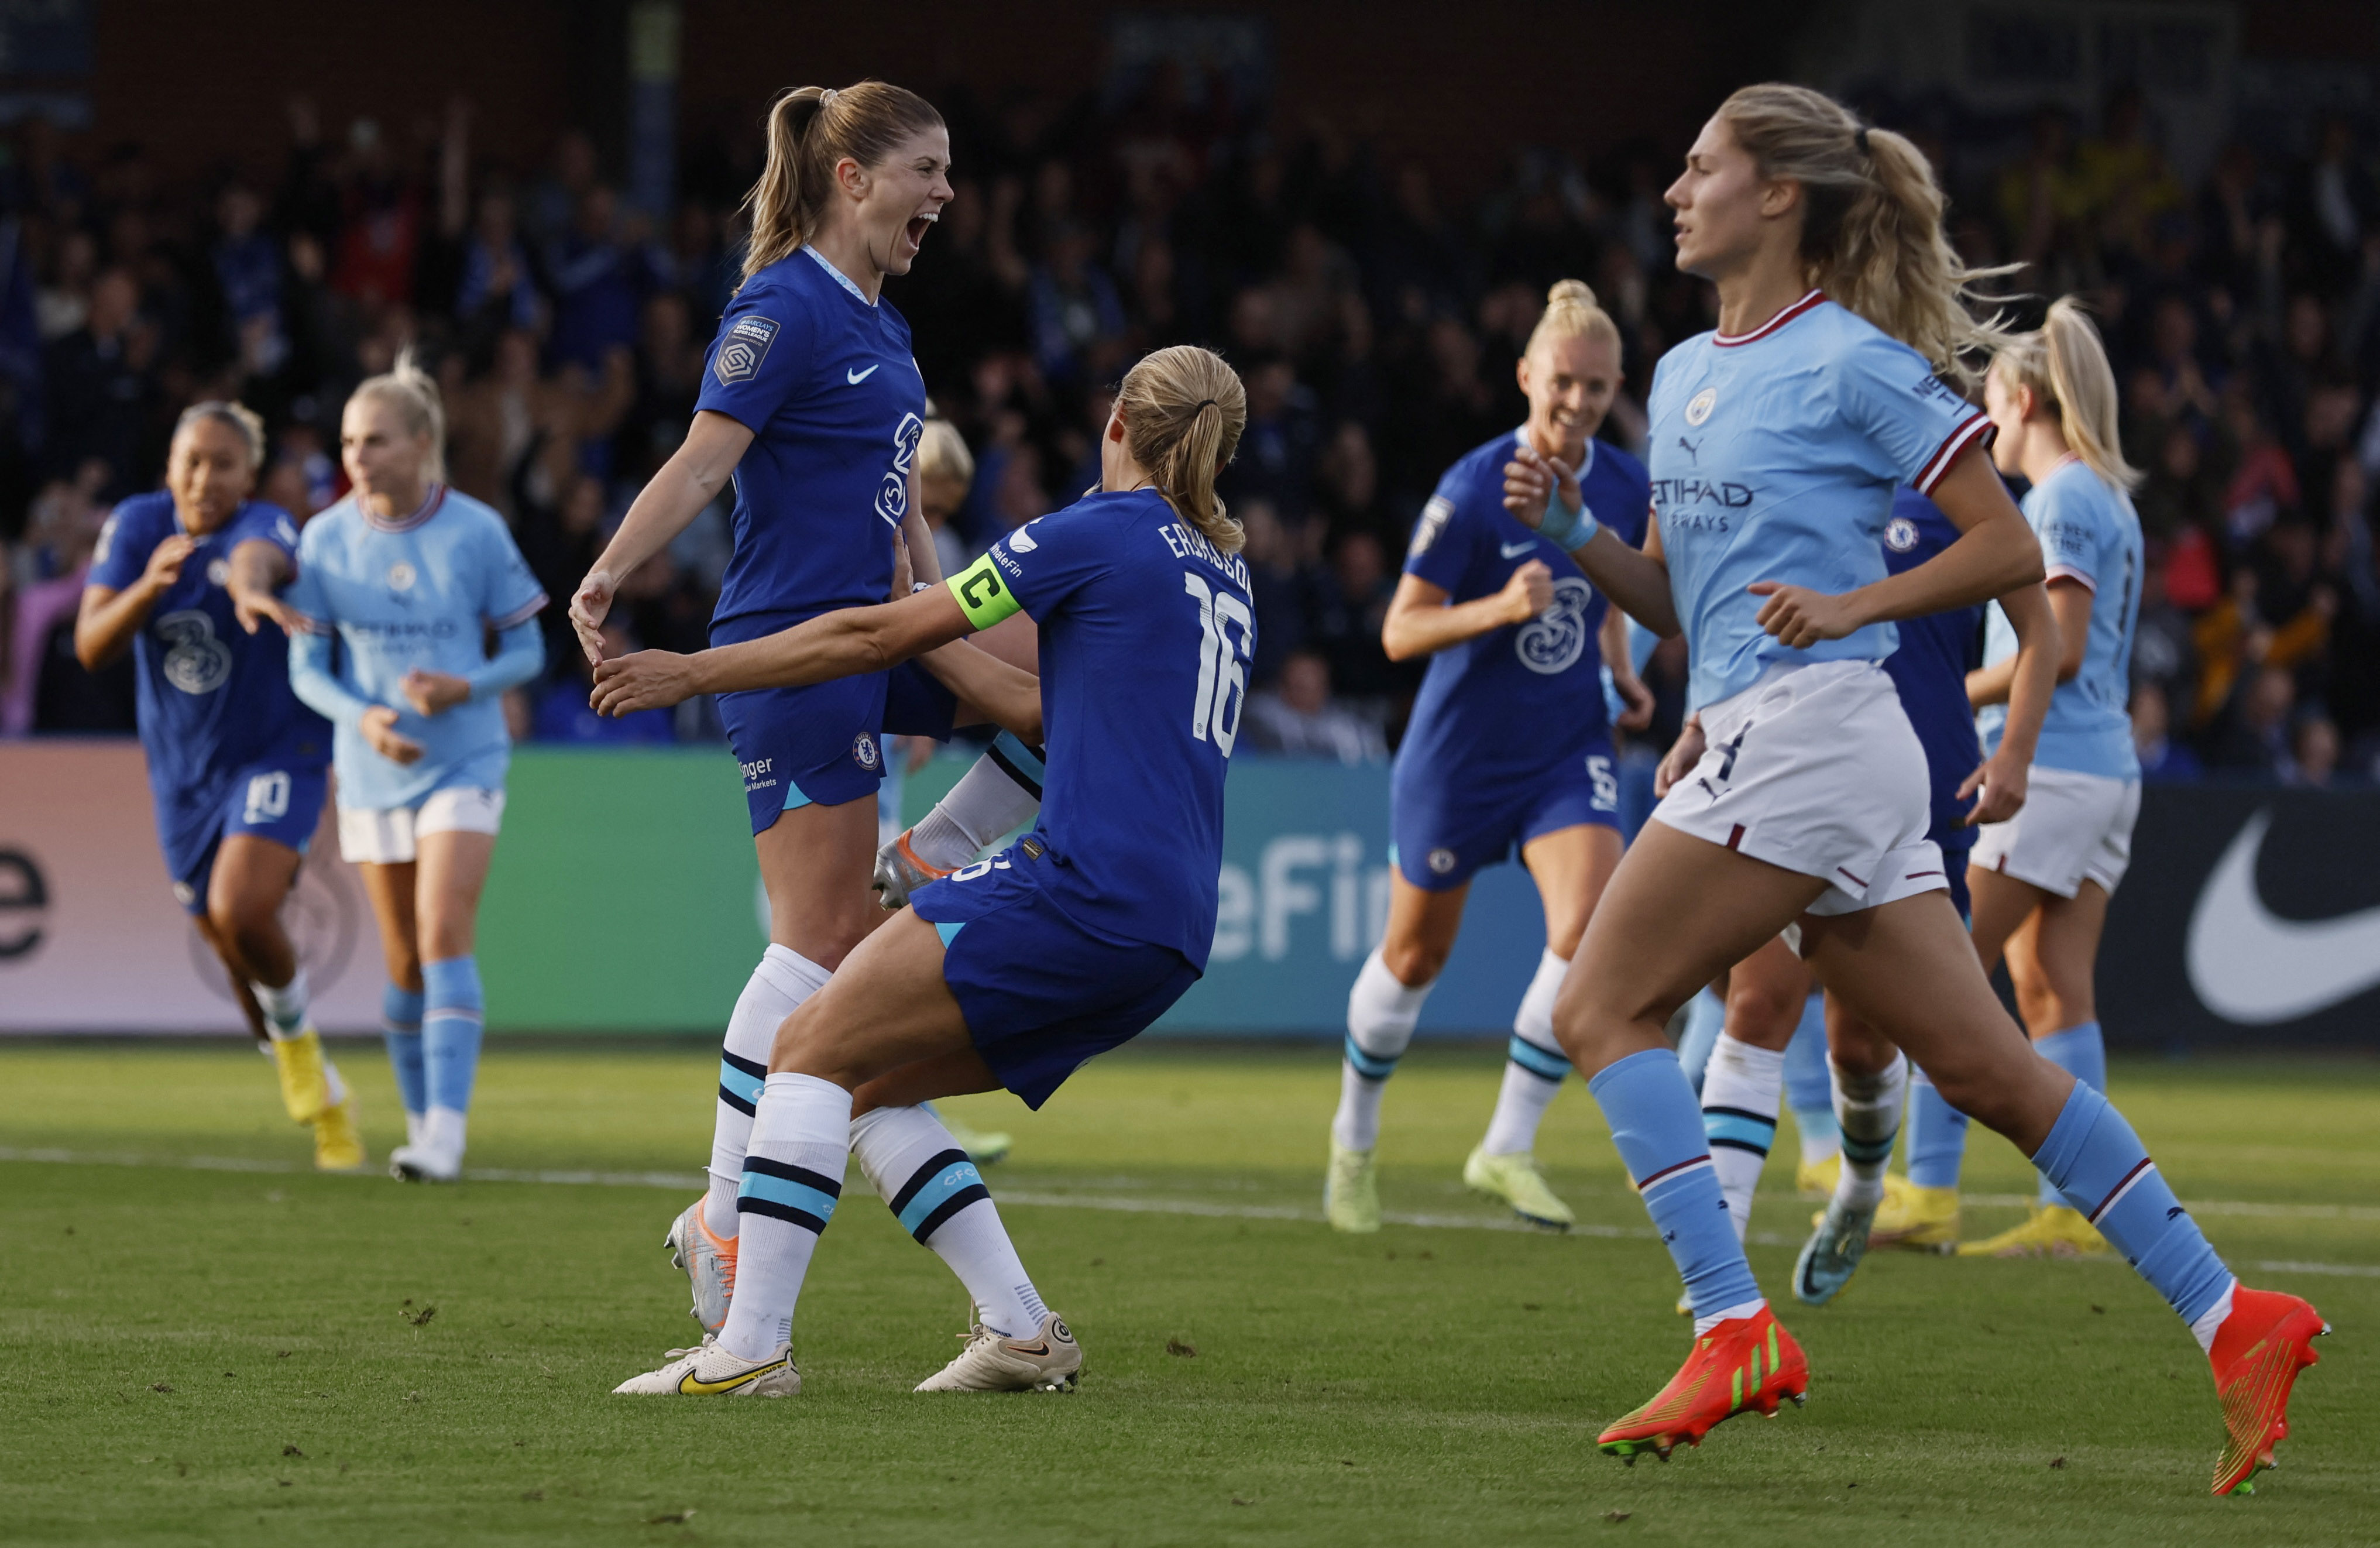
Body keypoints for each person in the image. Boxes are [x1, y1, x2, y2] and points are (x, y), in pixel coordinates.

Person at [1503, 84, 2321, 1494]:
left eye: (1701, 168)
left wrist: (1853, 602)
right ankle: (2234, 1316)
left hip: (1822, 731)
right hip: (1786, 731)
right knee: (1989, 1068)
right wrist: (1573, 527)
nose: (1674, 191)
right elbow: (1684, 605)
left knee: (1597, 1004)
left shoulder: (1851, 364)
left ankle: (1733, 1323)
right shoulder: (1690, 372)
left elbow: (2008, 553)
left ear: (1780, 197)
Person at [593, 345, 1249, 1398]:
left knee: (806, 1045)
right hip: (1169, 932)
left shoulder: (1095, 532)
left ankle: (751, 1349)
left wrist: (692, 671)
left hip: (1077, 888)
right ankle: (1022, 1328)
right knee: (862, 1083)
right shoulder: (1222, 566)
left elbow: (871, 633)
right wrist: (926, 586)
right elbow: (1040, 713)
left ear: (1118, 420)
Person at [565, 82, 1042, 1337]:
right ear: (851, 176)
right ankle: (729, 1214)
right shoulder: (780, 305)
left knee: (847, 985)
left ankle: (1002, 1314)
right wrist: (611, 572)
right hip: (796, 651)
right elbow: (703, 461)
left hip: (878, 643)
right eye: (927, 170)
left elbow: (907, 503)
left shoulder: (885, 322)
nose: (946, 193)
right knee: (827, 961)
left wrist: (945, 628)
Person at [1324, 280, 1653, 1234]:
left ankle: (1506, 1145)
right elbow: (1399, 630)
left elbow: (1619, 584)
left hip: (1564, 746)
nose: (1577, 402)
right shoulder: (1476, 487)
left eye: (1596, 387)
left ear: (1615, 387)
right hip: (1460, 755)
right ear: (1525, 376)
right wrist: (1502, 608)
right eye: (1562, 382)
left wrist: (1620, 666)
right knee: (1415, 953)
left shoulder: (1626, 482)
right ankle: (1353, 1141)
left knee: (1590, 925)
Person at [1678, 485, 2055, 1306]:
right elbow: (1731, 618)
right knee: (1756, 1004)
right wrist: (1695, 726)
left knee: (1860, 1043)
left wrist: (2016, 752)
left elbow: (2041, 627)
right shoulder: (1800, 469)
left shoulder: (1960, 482)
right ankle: (1721, 1263)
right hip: (1796, 776)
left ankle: (1858, 1189)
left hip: (1927, 786)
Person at [1879, 300, 2153, 1259]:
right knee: (2051, 991)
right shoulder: (2106, 496)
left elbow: (2062, 648)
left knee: (1944, 975)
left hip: (2057, 765)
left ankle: (1927, 1196)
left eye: (1991, 392)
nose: (1982, 414)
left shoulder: (2065, 500)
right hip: (2105, 770)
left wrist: (1966, 696)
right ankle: (2067, 1214)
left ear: (2024, 396)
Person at [243, 354, 548, 1183]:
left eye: (375, 440)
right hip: (373, 770)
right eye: (348, 441)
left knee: (445, 932)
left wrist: (465, 684)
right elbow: (309, 671)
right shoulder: (325, 539)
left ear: (422, 443)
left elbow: (527, 648)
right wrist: (364, 717)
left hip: (467, 757)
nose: (357, 456)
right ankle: (422, 1127)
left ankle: (445, 1133)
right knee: (404, 959)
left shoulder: (477, 531)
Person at [74, 401, 360, 1171]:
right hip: (183, 775)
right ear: (169, 465)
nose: (205, 477)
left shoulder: (264, 523)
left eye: (224, 463)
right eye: (192, 460)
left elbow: (256, 561)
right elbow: (91, 644)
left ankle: (302, 1057)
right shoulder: (137, 526)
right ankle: (326, 1092)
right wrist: (147, 588)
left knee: (244, 905)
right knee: (233, 952)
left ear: (248, 475)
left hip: (279, 749)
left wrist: (247, 590)